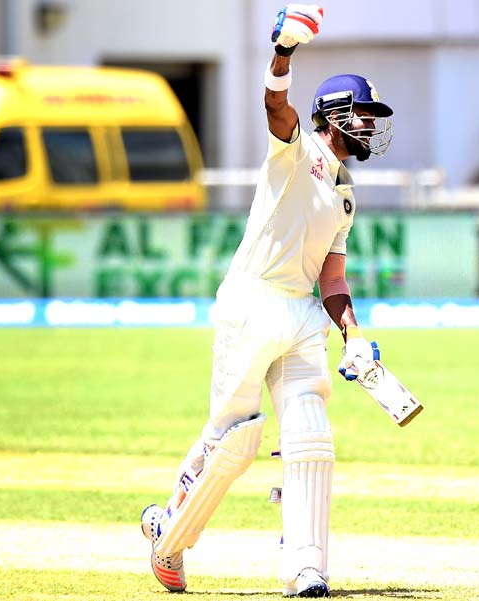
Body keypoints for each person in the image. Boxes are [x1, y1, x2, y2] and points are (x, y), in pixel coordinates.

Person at [140, 4, 394, 597]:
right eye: (363, 113)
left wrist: (354, 335)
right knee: (236, 439)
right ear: (334, 116)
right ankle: (168, 538)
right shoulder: (296, 148)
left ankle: (306, 567)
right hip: (251, 303)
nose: (371, 124)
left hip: (303, 314)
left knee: (310, 430)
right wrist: (284, 50)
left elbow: (332, 279)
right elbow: (275, 106)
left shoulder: (346, 194)